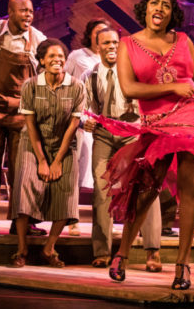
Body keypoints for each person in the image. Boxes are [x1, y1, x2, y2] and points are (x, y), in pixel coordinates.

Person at [89, 0, 194, 289]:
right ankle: (122, 253)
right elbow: (130, 89)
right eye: (154, 3)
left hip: (191, 120)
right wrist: (173, 88)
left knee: (189, 192)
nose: (159, 8)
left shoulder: (183, 40)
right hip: (157, 123)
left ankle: (183, 265)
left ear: (171, 13)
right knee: (145, 190)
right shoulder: (128, 43)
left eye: (166, 4)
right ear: (146, 9)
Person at [83, 27, 162, 271]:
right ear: (98, 47)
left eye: (115, 42)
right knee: (101, 189)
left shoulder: (135, 70)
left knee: (147, 186)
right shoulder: (91, 74)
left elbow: (151, 98)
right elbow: (86, 108)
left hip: (133, 132)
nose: (111, 47)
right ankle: (102, 251)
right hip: (105, 134)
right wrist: (85, 121)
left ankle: (152, 251)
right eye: (106, 43)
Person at [8, 39, 85, 268]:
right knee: (25, 187)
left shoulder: (77, 86)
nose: (57, 60)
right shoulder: (30, 86)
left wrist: (58, 160)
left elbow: (73, 127)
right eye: (51, 57)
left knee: (67, 192)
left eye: (61, 56)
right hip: (33, 144)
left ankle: (49, 248)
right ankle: (21, 249)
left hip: (64, 144)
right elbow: (30, 124)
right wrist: (42, 160)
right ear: (41, 61)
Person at [0, 0, 47, 236]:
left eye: (30, 11)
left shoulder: (38, 39)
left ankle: (21, 221)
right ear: (10, 11)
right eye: (23, 10)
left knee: (22, 169)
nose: (28, 15)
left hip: (22, 112)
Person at [64, 18, 109, 236]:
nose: (101, 37)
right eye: (97, 31)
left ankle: (102, 225)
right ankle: (72, 219)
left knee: (102, 177)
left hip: (106, 123)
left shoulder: (114, 60)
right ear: (90, 34)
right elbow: (67, 85)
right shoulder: (77, 57)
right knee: (77, 174)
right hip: (83, 121)